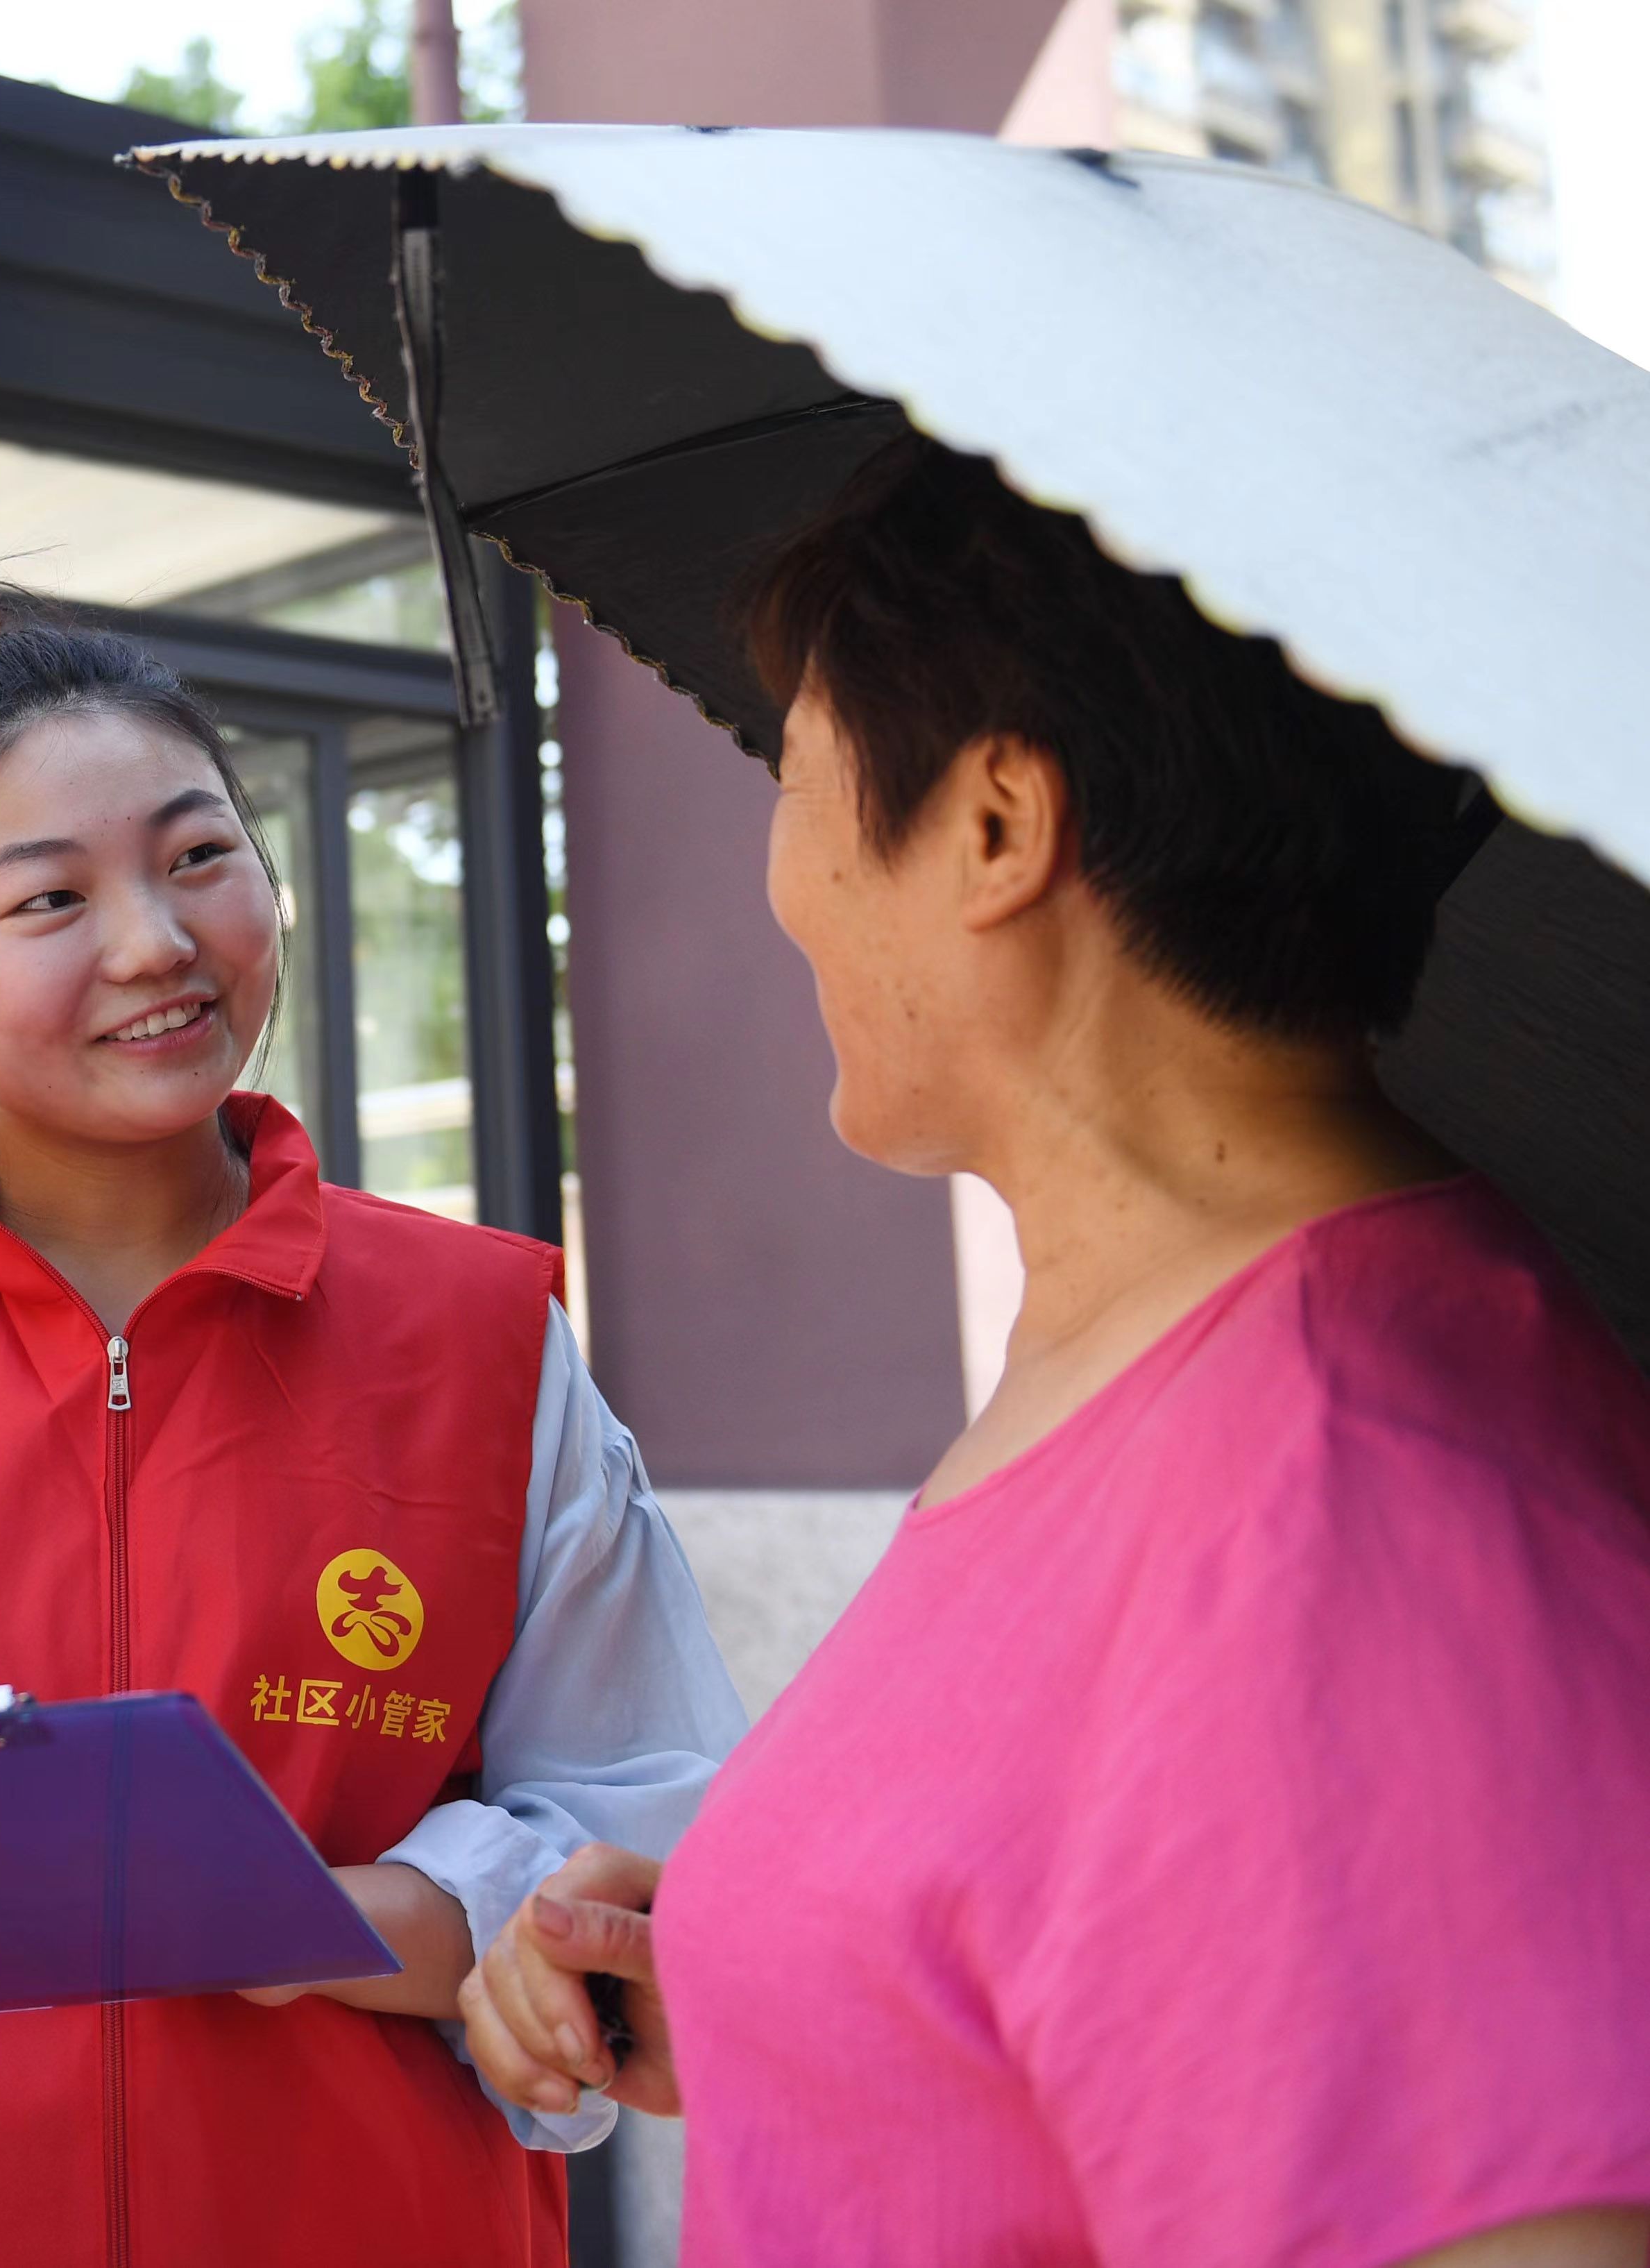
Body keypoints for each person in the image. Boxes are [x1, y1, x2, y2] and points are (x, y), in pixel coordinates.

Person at [455, 439, 1650, 2265]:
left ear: (998, 827)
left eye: (795, 771)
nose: (781, 874)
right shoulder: (1149, 1359)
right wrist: (799, 1992)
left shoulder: (1356, 1496)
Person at [0, 586, 749, 2266]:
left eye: (197, 856)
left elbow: (657, 1824)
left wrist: (327, 1916)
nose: (155, 943)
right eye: (50, 897)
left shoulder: (482, 1339)